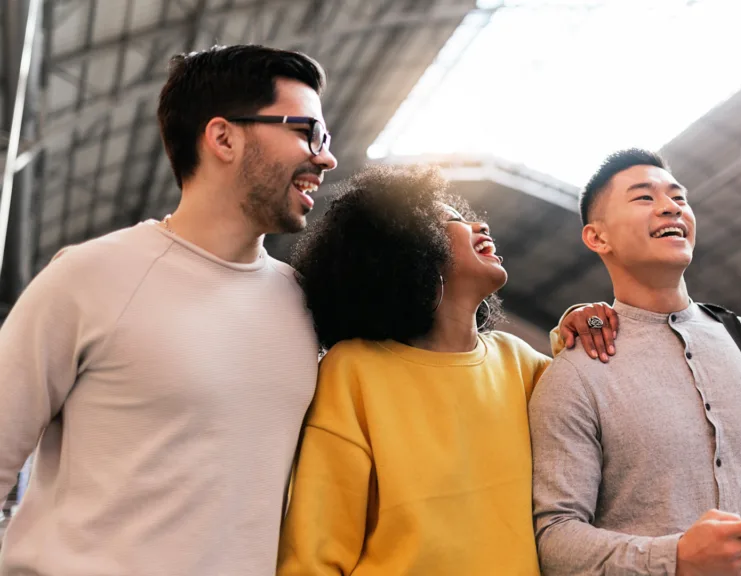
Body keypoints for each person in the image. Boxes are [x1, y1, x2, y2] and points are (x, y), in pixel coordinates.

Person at [0, 44, 611, 575]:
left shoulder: (304, 306)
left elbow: (433, 371)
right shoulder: (89, 277)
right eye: (307, 132)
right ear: (222, 137)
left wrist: (574, 332)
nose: (326, 157)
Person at [529, 149, 741, 576]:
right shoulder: (576, 373)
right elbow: (554, 537)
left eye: (679, 197)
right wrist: (673, 558)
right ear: (597, 237)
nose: (670, 206)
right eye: (644, 198)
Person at [278, 164, 579, 575]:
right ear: (411, 247)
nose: (480, 224)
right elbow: (314, 553)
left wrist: (585, 322)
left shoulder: (521, 363)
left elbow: (596, 400)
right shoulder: (353, 370)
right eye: (451, 221)